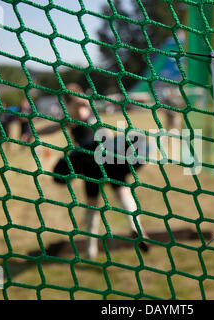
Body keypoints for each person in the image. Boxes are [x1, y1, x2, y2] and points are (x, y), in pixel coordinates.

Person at [38, 83, 150, 259]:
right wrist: (37, 131)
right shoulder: (75, 113)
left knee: (93, 203)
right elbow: (55, 126)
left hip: (93, 157)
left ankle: (92, 247)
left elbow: (78, 111)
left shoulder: (79, 110)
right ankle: (135, 228)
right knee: (120, 191)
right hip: (102, 157)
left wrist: (75, 100)